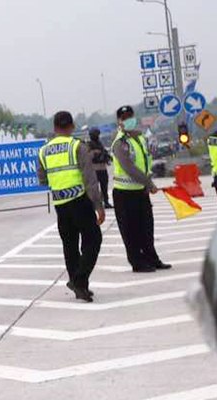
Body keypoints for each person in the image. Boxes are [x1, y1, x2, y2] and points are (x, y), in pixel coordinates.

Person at [37, 111, 104, 302]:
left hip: (60, 203)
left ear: (55, 128)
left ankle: (79, 285)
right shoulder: (77, 146)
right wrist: (98, 205)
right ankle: (79, 280)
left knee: (70, 245)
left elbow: (42, 179)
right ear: (72, 126)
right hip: (79, 200)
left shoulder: (43, 151)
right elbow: (90, 178)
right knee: (93, 240)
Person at [111, 105, 172, 273]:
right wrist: (149, 183)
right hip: (124, 193)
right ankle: (137, 262)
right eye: (124, 118)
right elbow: (129, 168)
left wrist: (146, 182)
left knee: (146, 227)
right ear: (119, 121)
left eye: (130, 116)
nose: (128, 120)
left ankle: (152, 258)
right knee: (131, 231)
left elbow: (145, 162)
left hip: (140, 191)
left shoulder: (139, 139)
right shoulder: (120, 142)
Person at [88, 127, 113, 209]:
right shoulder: (89, 144)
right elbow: (89, 156)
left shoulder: (100, 143)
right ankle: (96, 204)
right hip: (94, 169)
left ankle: (106, 202)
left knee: (104, 187)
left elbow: (104, 153)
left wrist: (105, 156)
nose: (97, 136)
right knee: (95, 189)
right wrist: (96, 153)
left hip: (102, 168)